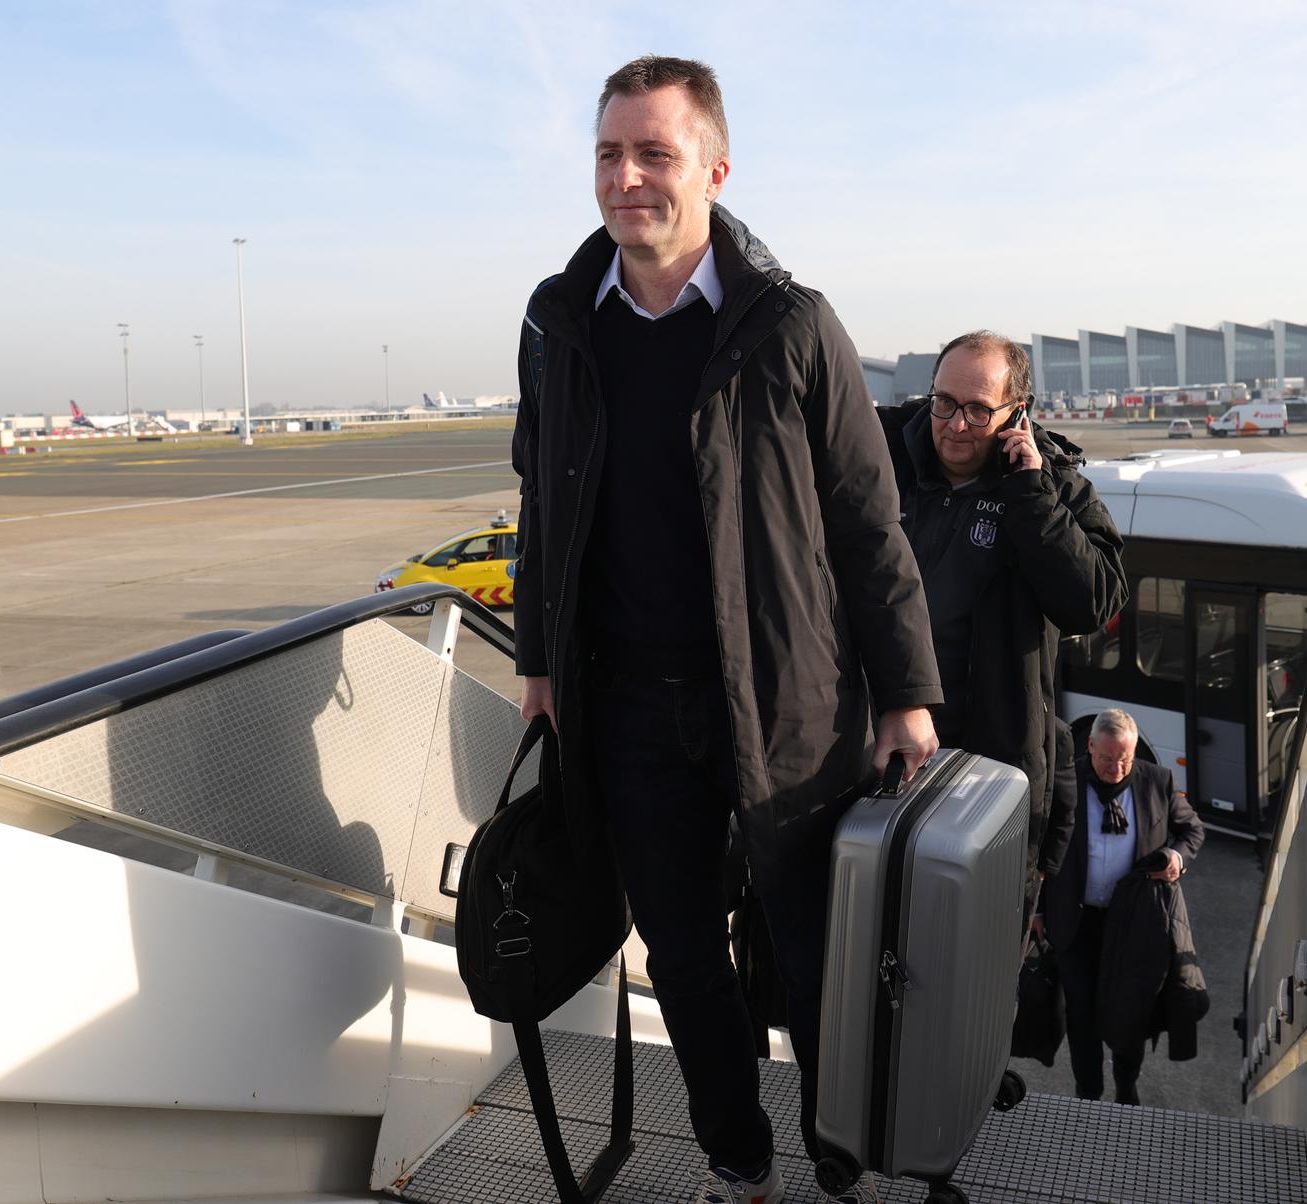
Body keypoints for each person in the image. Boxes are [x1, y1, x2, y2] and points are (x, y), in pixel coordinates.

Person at [510, 55, 941, 1204]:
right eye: (609, 153)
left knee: (816, 954)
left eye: (654, 153)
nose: (626, 178)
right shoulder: (559, 325)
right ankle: (738, 1162)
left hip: (791, 699)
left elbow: (868, 522)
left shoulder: (791, 324)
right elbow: (540, 504)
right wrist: (540, 669)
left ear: (714, 166)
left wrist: (906, 695)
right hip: (633, 707)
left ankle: (838, 1152)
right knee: (686, 958)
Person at [877, 332, 1126, 898]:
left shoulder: (1052, 485)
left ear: (1017, 412)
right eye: (944, 403)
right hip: (872, 749)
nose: (955, 425)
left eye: (978, 411)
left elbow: (1095, 601)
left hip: (983, 770)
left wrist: (1031, 496)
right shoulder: (879, 453)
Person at [1038, 708, 1205, 1104]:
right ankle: (1088, 1092)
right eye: (1106, 758)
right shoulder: (1065, 781)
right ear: (1090, 746)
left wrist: (1176, 858)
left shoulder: (1158, 782)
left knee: (1131, 1008)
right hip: (1076, 923)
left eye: (1124, 759)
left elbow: (1192, 830)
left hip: (1134, 924)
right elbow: (1042, 850)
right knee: (1082, 1015)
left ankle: (1125, 1083)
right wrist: (1038, 911)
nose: (1115, 768)